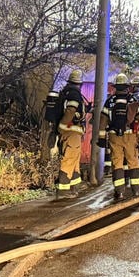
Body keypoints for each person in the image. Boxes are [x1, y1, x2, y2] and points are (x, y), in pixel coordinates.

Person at [99, 73, 139, 200]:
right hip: (129, 135)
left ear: (116, 87)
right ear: (127, 87)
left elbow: (103, 121)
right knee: (133, 161)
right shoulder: (133, 100)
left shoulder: (110, 101)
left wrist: (101, 137)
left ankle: (120, 192)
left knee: (117, 163)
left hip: (114, 136)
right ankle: (136, 191)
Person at [54, 69, 87, 197]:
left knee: (74, 160)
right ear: (80, 83)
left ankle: (74, 188)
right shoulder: (74, 94)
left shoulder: (66, 93)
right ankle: (63, 191)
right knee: (69, 159)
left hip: (70, 131)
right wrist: (62, 127)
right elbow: (70, 111)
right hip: (72, 131)